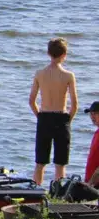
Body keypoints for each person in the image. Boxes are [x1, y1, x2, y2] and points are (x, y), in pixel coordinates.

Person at [29, 37, 79, 186]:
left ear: (48, 53)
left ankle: (36, 191)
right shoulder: (68, 75)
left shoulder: (40, 73)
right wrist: (68, 120)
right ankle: (58, 192)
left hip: (44, 116)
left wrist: (40, 116)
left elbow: (31, 101)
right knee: (60, 162)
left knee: (40, 162)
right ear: (64, 54)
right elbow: (75, 104)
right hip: (61, 117)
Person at [84, 101, 99, 187]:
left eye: (95, 113)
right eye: (91, 113)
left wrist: (90, 184)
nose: (92, 117)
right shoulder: (97, 133)